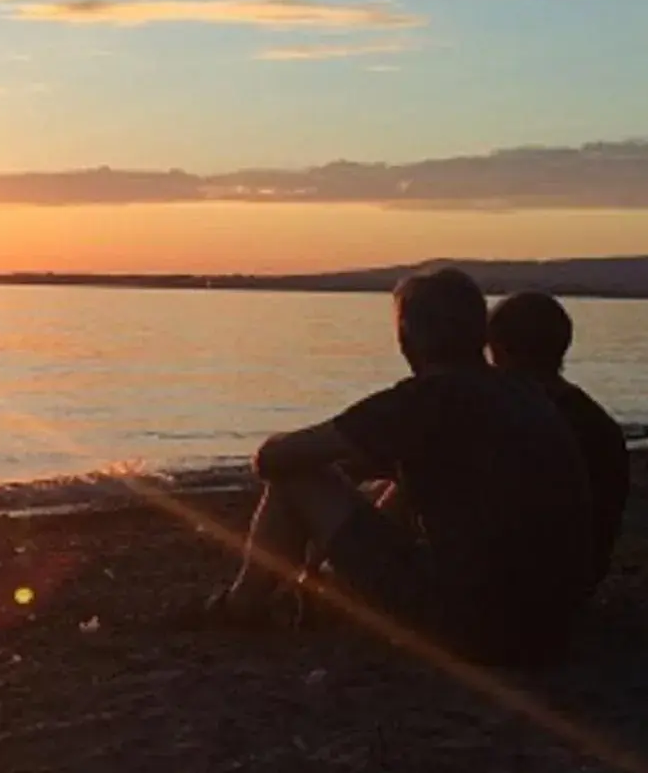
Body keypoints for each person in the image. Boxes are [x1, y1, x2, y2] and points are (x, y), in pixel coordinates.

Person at [211, 268, 594, 667]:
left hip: (476, 630)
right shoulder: (521, 392)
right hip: (552, 627)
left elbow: (274, 459)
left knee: (299, 477)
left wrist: (319, 463)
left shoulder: (427, 399)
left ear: (407, 334)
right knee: (395, 485)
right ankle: (312, 591)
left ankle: (243, 605)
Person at [487, 291, 628, 589]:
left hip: (517, 587)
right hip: (580, 578)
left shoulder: (515, 419)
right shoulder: (597, 421)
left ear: (499, 349)